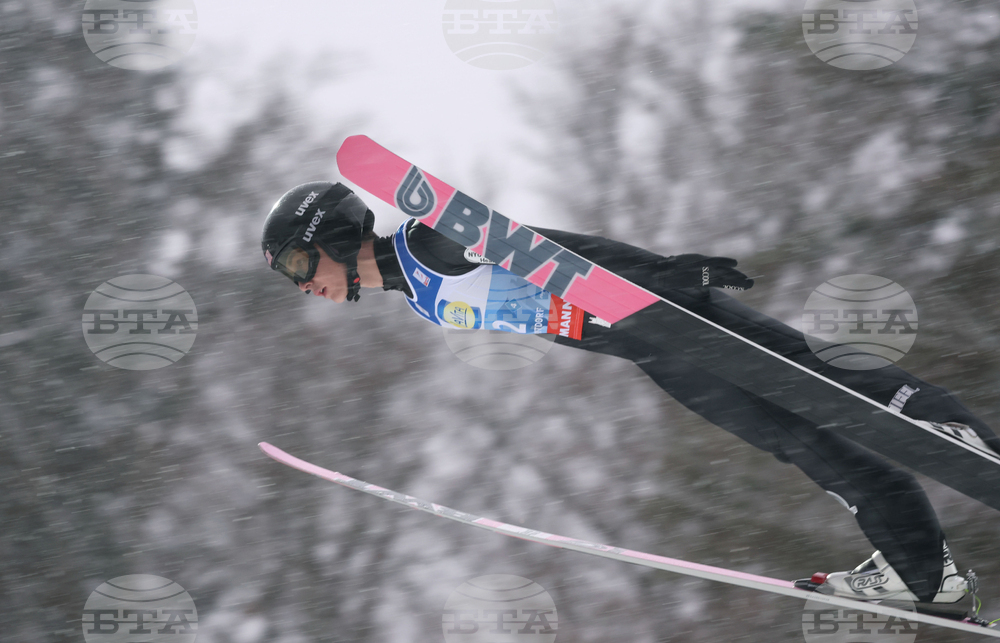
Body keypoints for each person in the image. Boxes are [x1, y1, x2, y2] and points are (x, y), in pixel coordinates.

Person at [262, 181, 999, 607]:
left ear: (330, 233)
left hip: (657, 312)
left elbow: (553, 248)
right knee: (806, 442)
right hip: (644, 347)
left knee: (824, 382)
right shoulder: (417, 294)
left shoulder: (429, 245)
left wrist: (666, 273)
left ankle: (957, 436)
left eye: (299, 262)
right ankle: (925, 574)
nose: (305, 284)